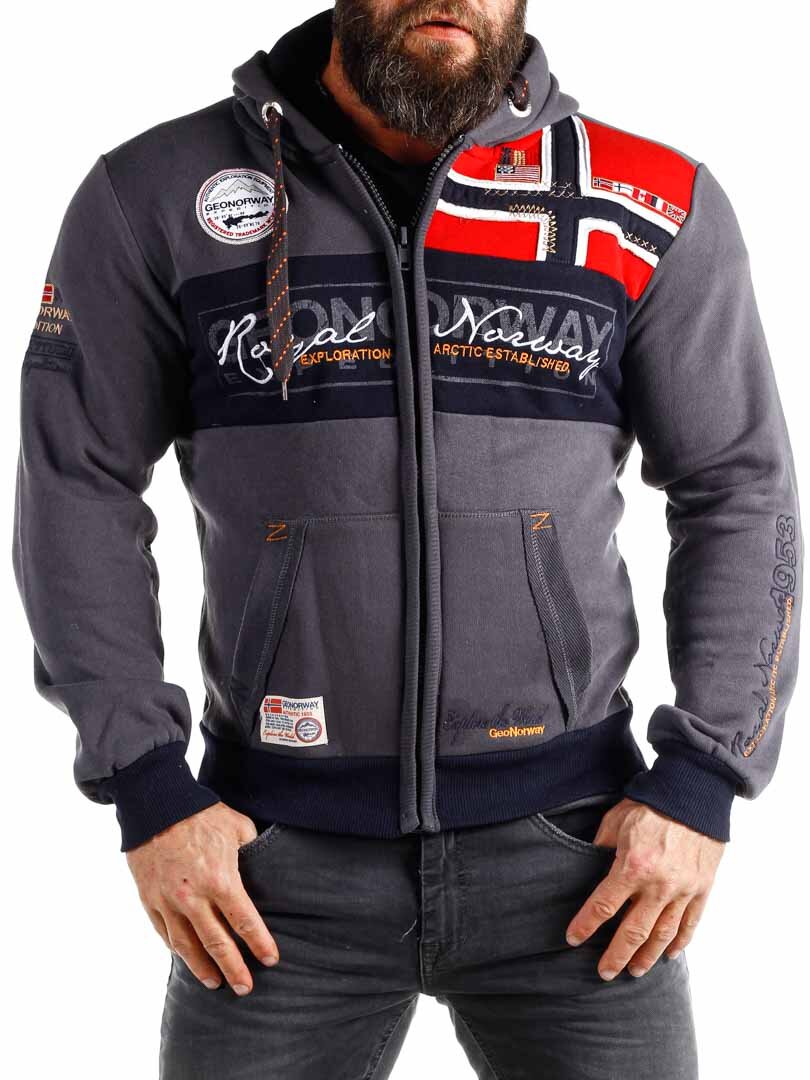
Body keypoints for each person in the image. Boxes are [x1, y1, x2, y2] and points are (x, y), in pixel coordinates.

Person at [12, 2, 802, 1077]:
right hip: (265, 873)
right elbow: (76, 485)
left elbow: (740, 489)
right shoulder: (154, 193)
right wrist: (146, 786)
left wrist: (705, 777)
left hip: (583, 865)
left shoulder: (648, 201)